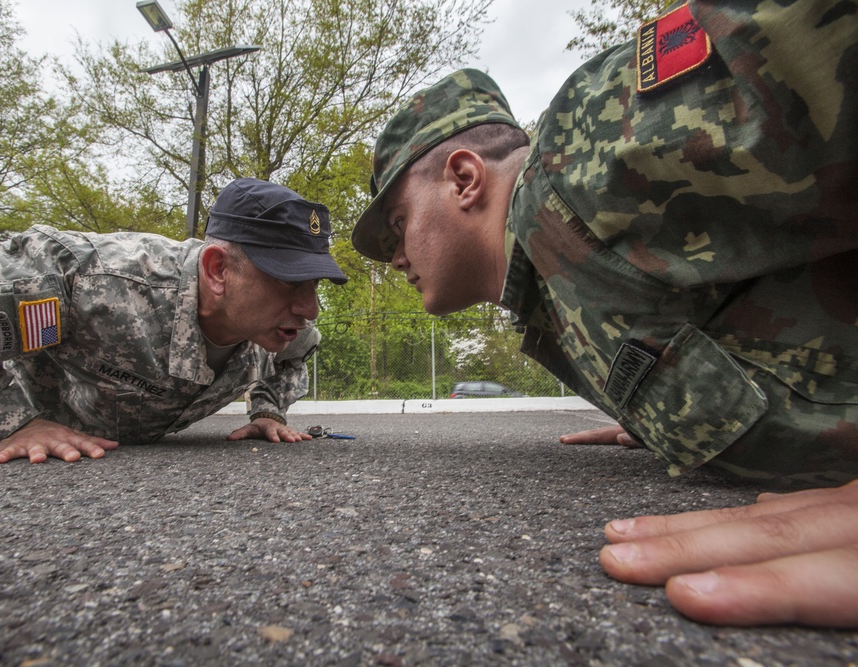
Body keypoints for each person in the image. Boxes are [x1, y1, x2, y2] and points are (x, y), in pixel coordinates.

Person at [350, 0, 858, 626]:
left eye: (397, 225)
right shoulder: (548, 294)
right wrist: (663, 419)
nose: (395, 257)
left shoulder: (588, 144)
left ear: (462, 179)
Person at [0, 178, 347, 464]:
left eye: (315, 285)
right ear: (218, 270)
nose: (308, 308)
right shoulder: (84, 277)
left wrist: (267, 411)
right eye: (289, 282)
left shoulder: (283, 329)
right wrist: (11, 421)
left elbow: (297, 356)